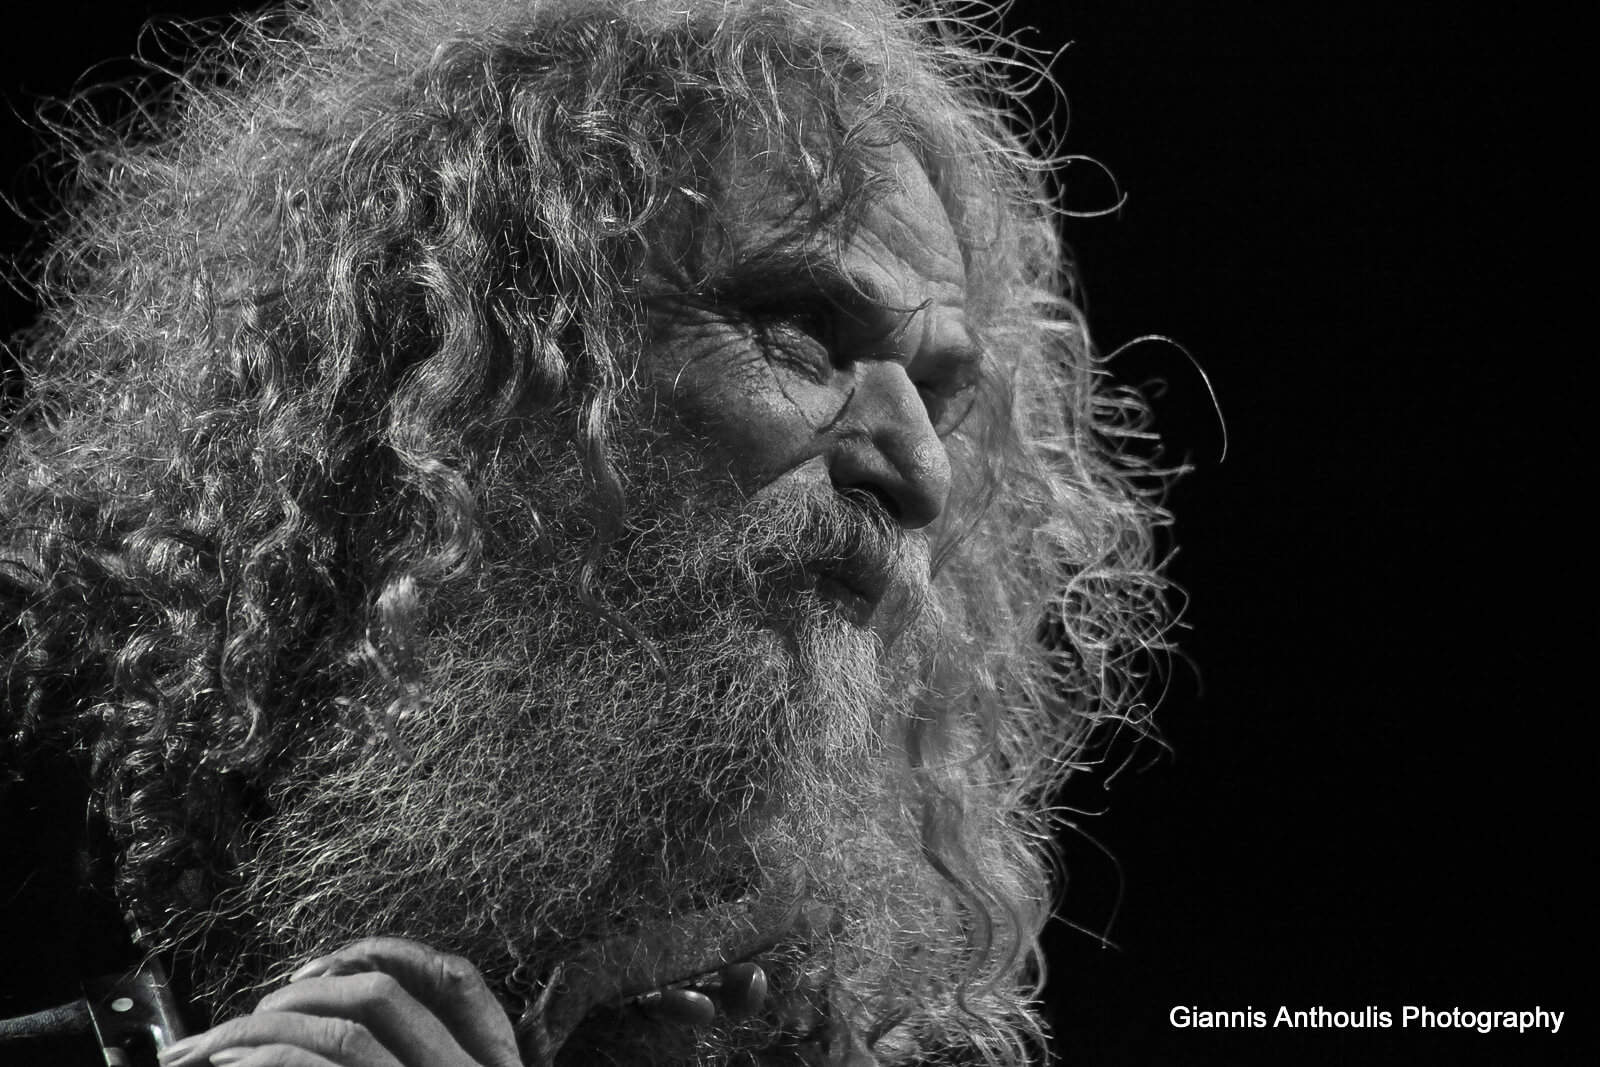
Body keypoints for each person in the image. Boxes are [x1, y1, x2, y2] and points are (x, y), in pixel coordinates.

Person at [0, 0, 1172, 1063]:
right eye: (800, 326)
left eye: (941, 389)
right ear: (466, 349)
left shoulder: (818, 1010)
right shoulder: (37, 747)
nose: (919, 468)